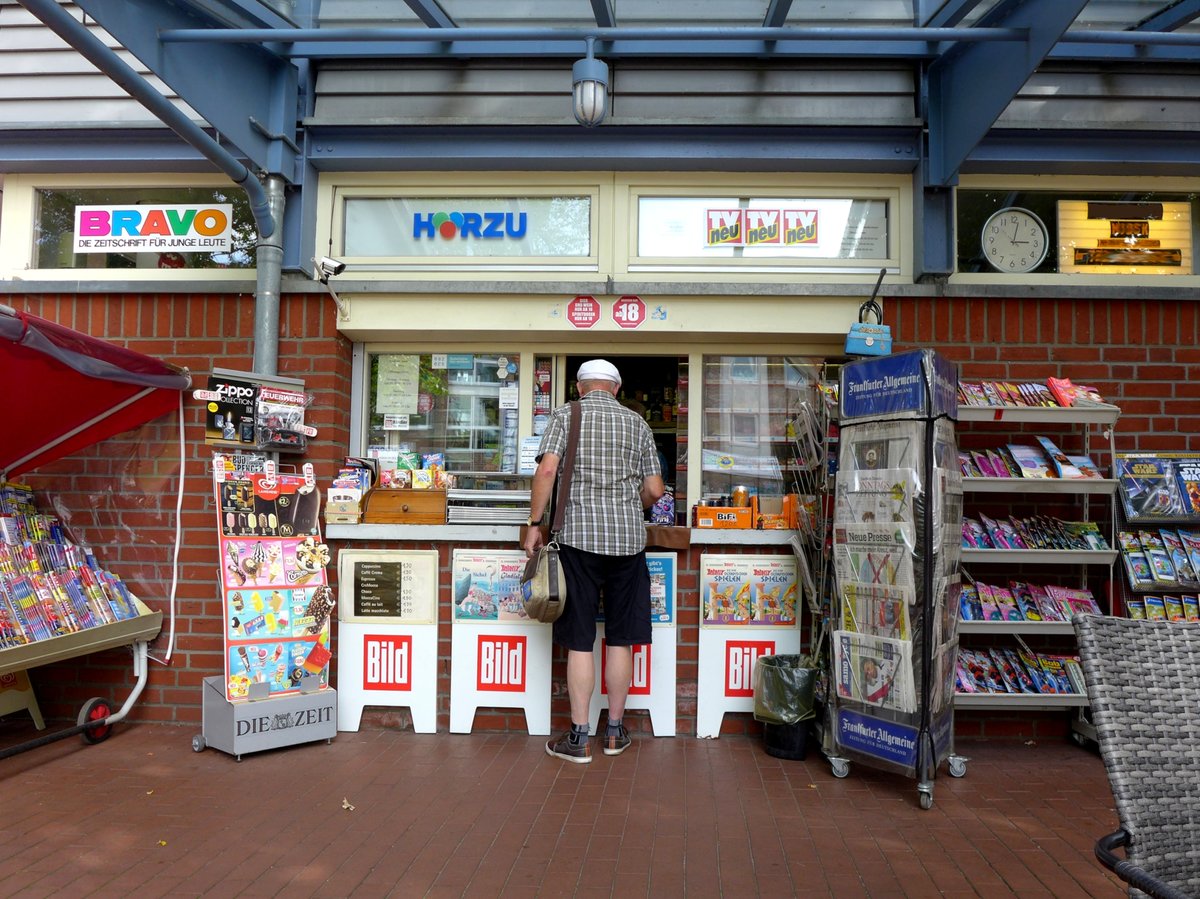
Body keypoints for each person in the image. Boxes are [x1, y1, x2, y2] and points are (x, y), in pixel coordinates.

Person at [523, 359, 665, 763]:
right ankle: (616, 733)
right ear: (616, 389)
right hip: (628, 545)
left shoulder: (566, 415)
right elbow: (655, 489)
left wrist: (535, 523)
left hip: (578, 541)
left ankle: (579, 739)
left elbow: (548, 468)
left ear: (580, 388)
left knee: (580, 639)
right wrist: (627, 509)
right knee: (621, 638)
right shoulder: (637, 423)